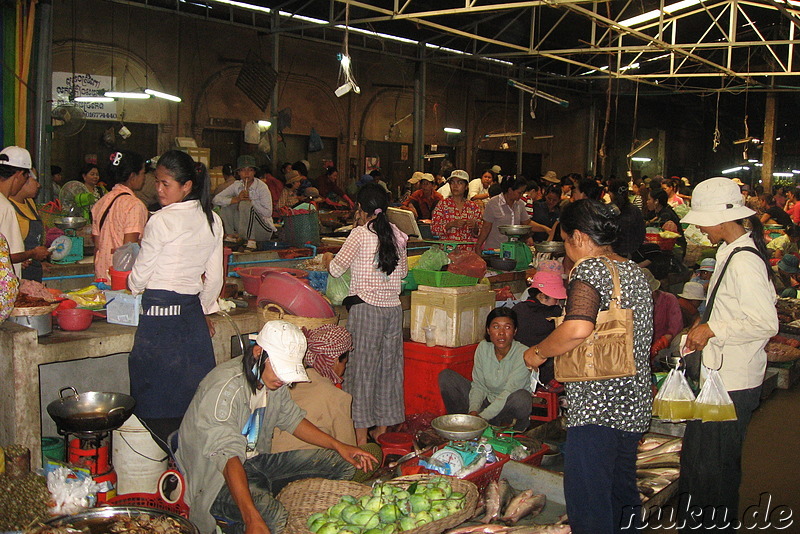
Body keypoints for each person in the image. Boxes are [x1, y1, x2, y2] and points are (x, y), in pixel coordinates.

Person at [523, 199, 653, 534]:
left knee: (588, 499)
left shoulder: (589, 269)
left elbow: (579, 328)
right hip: (633, 403)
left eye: (566, 241)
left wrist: (538, 352)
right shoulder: (635, 273)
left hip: (598, 407)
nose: (567, 250)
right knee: (621, 491)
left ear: (579, 237)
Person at [177, 320, 376, 534]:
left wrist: (339, 446)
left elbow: (292, 419)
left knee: (344, 463)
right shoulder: (226, 390)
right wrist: (252, 517)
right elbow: (227, 457)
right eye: (281, 368)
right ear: (258, 352)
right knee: (272, 518)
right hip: (215, 479)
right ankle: (249, 514)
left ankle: (265, 498)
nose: (283, 378)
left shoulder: (270, 377)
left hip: (255, 463)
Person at [678, 177, 778, 532]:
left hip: (732, 384)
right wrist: (703, 328)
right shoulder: (729, 252)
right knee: (702, 463)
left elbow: (765, 322)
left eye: (701, 221)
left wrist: (713, 329)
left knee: (713, 469)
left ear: (721, 220)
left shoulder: (744, 261)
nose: (699, 228)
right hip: (720, 377)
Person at [128, 150, 224, 447]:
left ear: (186, 186)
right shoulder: (212, 220)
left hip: (158, 324)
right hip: (191, 320)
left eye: (165, 184)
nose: (158, 189)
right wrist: (205, 309)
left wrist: (131, 284)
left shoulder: (161, 221)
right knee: (191, 403)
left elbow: (139, 278)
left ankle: (167, 467)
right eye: (157, 182)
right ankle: (186, 470)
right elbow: (215, 278)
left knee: (154, 403)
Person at [323, 183, 408, 445]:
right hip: (393, 312)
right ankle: (381, 432)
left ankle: (360, 439)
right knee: (389, 370)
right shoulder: (397, 234)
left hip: (366, 310)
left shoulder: (359, 235)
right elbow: (403, 273)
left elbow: (336, 270)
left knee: (361, 371)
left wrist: (327, 258)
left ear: (361, 208)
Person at [439, 308, 533, 432]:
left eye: (507, 327)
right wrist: (473, 412)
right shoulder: (483, 347)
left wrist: (482, 418)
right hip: (486, 403)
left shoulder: (523, 353)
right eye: (496, 327)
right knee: (447, 377)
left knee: (522, 398)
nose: (501, 333)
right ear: (488, 330)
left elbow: (509, 391)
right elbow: (479, 385)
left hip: (506, 409)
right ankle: (462, 426)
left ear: (515, 331)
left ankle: (508, 429)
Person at [271, 324, 357, 453]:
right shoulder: (337, 397)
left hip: (270, 463)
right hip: (310, 466)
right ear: (335, 361)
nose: (344, 369)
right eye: (345, 363)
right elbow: (349, 448)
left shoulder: (285, 385)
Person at [90, 150, 148, 282]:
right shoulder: (134, 205)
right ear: (133, 176)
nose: (144, 178)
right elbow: (129, 250)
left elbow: (97, 246)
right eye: (143, 173)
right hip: (121, 279)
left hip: (102, 276)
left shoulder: (101, 202)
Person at [512, 270, 566, 390]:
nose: (557, 302)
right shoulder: (554, 313)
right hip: (546, 374)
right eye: (555, 299)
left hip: (519, 370)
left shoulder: (517, 309)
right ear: (542, 295)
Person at [0, 146, 49, 277]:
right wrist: (32, 254)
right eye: (26, 177)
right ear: (18, 175)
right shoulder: (5, 207)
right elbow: (7, 256)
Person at [473, 177, 550, 252]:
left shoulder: (520, 204)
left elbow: (527, 223)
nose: (521, 195)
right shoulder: (493, 203)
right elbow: (486, 227)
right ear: (510, 190)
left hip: (514, 250)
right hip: (495, 250)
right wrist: (478, 246)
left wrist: (545, 228)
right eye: (519, 192)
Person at [213, 155, 276, 241]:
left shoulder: (262, 187)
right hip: (244, 229)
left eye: (250, 170)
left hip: (262, 229)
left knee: (245, 204)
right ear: (238, 173)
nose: (246, 173)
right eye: (243, 170)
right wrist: (236, 199)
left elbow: (268, 213)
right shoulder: (237, 185)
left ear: (254, 172)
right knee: (226, 205)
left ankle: (251, 241)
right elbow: (216, 199)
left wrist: (251, 202)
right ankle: (231, 236)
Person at [10, 169, 46, 281]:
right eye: (35, 180)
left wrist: (39, 262)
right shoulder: (7, 207)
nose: (38, 185)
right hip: (17, 275)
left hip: (33, 272)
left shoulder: (30, 202)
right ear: (21, 180)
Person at [430, 170, 482, 245]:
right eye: (452, 182)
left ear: (466, 186)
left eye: (460, 183)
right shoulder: (442, 205)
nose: (455, 186)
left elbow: (480, 233)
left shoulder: (473, 207)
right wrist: (450, 225)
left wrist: (475, 227)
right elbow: (434, 230)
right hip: (447, 251)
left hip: (467, 252)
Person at [643, 268, 683, 361]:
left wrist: (662, 341)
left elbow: (676, 326)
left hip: (665, 346)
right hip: (642, 345)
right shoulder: (635, 303)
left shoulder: (669, 299)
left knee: (678, 340)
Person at [608, 178, 645, 259]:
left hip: (611, 256)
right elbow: (641, 234)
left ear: (611, 193)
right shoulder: (635, 210)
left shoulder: (607, 210)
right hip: (632, 255)